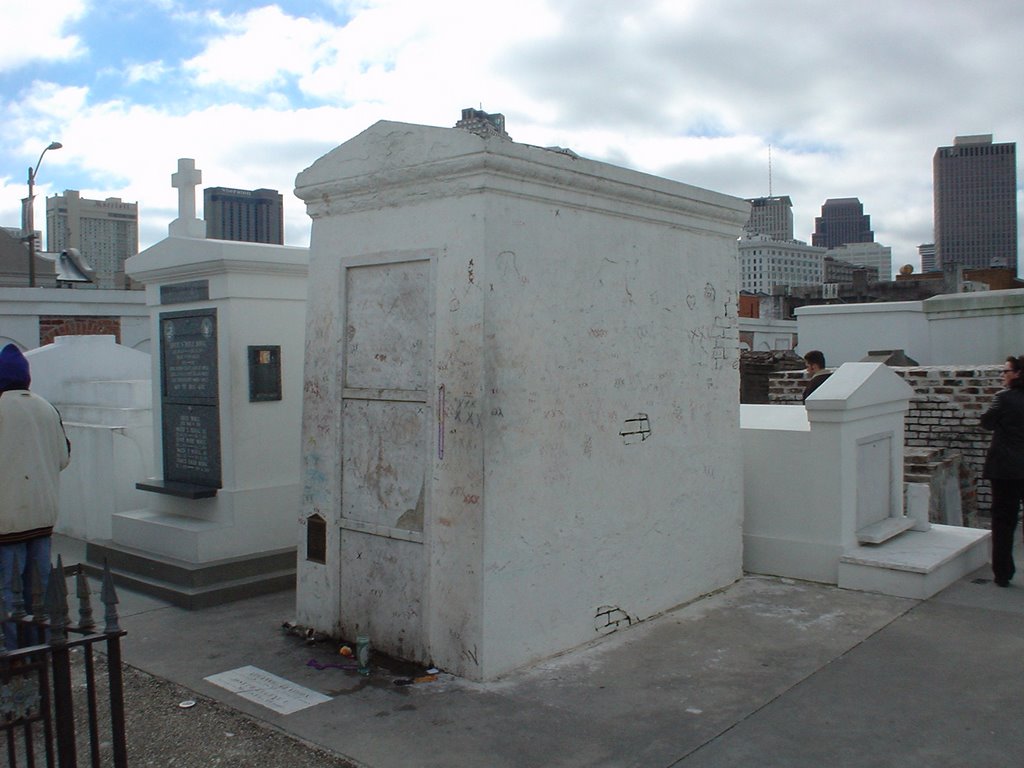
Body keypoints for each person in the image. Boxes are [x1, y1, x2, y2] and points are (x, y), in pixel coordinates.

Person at [0, 343, 70, 646]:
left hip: (6, 519)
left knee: (8, 590)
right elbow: (63, 458)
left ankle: (16, 658)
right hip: (42, 515)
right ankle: (41, 649)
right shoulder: (46, 408)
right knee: (38, 589)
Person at [980, 354, 1024, 588]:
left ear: (1017, 373)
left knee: (1004, 522)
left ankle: (1003, 573)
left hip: (1006, 469)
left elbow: (986, 422)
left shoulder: (1004, 398)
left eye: (1006, 371)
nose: (1003, 375)